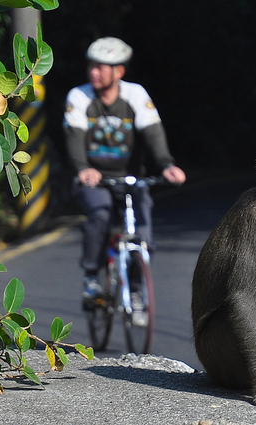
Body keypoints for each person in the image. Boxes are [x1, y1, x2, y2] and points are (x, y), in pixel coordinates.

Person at [63, 37, 186, 302]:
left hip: (129, 179)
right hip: (93, 181)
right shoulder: (79, 96)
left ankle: (138, 289)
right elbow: (74, 137)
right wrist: (83, 169)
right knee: (100, 214)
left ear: (118, 71)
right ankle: (92, 277)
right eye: (92, 66)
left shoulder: (135, 94)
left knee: (143, 235)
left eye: (101, 67)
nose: (94, 73)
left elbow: (152, 133)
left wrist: (166, 165)